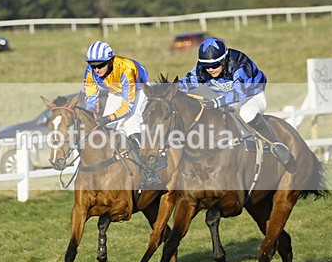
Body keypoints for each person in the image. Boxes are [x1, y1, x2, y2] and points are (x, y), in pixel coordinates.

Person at [176, 37, 293, 167]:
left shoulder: (240, 64)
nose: (210, 70)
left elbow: (239, 93)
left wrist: (217, 103)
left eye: (214, 65)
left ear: (224, 60)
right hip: (221, 98)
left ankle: (274, 143)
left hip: (250, 96)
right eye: (206, 66)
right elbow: (185, 83)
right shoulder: (202, 68)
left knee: (247, 114)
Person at [83, 41, 161, 186]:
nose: (97, 69)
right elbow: (91, 100)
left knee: (130, 125)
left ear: (110, 61)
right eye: (93, 65)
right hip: (115, 92)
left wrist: (107, 118)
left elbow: (127, 108)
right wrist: (93, 116)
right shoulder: (90, 72)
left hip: (139, 91)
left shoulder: (126, 69)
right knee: (107, 131)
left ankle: (149, 171)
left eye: (100, 65)